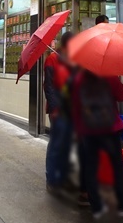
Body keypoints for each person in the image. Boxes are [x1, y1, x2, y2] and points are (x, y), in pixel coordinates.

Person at [72, 69, 123, 219]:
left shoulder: (78, 78)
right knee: (117, 166)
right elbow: (122, 96)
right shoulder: (109, 75)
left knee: (91, 167)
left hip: (88, 128)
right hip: (108, 128)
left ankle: (96, 208)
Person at [43, 31, 74, 194]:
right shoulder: (52, 59)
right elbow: (48, 86)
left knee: (67, 145)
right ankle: (52, 179)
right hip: (58, 110)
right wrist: (54, 108)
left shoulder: (71, 60)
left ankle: (63, 177)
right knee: (56, 144)